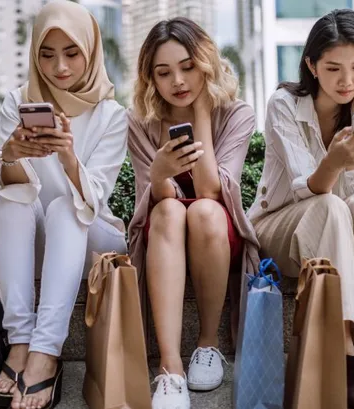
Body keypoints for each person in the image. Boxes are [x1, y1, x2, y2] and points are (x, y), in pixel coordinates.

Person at [247, 9, 354, 409]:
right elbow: (309, 191)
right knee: (331, 206)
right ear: (311, 66)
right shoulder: (284, 105)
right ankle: (346, 358)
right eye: (333, 67)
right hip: (281, 227)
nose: (346, 80)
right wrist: (334, 161)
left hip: (337, 227)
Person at [0, 2, 128, 408]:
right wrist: (11, 154)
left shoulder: (111, 114)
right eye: (46, 55)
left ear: (90, 50)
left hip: (91, 240)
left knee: (66, 207)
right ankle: (20, 343)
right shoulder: (18, 102)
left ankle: (46, 352)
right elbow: (14, 191)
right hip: (34, 245)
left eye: (72, 53)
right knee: (8, 204)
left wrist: (68, 157)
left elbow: (94, 199)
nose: (60, 67)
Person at [127, 17, 261, 409]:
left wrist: (202, 112)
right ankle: (170, 369)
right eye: (164, 72)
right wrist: (159, 174)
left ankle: (207, 344)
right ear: (151, 78)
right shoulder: (139, 121)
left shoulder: (237, 115)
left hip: (217, 235)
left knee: (203, 210)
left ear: (205, 63)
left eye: (188, 67)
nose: (179, 81)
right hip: (163, 235)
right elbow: (153, 202)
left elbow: (210, 190)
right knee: (169, 209)